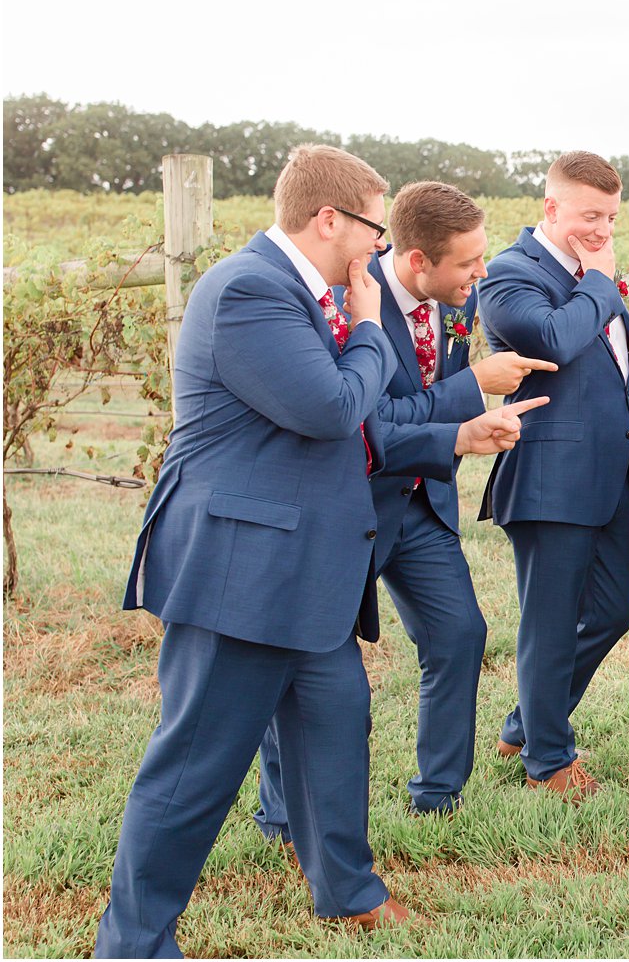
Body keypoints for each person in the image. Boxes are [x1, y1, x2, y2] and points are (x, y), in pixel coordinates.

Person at [96, 145, 541, 957]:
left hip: (306, 573)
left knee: (336, 720)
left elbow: (363, 426)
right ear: (329, 218)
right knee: (194, 768)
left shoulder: (307, 295)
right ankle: (133, 942)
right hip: (243, 571)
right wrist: (371, 324)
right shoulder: (248, 292)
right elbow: (336, 408)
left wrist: (455, 430)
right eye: (374, 227)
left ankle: (346, 890)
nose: (380, 246)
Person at [253, 182, 558, 833]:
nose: (481, 273)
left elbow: (422, 397)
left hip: (422, 499)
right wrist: (471, 392)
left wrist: (470, 412)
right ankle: (281, 818)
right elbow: (371, 424)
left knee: (460, 635)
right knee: (305, 662)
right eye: (468, 262)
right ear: (417, 260)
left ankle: (438, 797)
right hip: (344, 509)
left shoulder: (457, 298)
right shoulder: (342, 312)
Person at [476, 151, 629, 802]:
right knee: (549, 622)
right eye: (588, 215)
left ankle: (526, 721)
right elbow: (550, 342)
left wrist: (597, 278)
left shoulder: (590, 270)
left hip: (611, 475)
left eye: (610, 216)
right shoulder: (509, 274)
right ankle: (548, 758)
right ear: (551, 208)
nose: (602, 229)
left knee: (612, 610)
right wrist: (602, 283)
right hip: (549, 475)